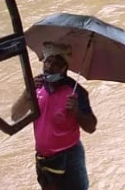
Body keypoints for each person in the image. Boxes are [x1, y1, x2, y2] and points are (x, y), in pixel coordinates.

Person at [11, 42, 97, 190]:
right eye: (48, 61)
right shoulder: (35, 86)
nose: (50, 67)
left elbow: (91, 127)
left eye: (56, 64)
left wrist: (76, 111)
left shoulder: (76, 92)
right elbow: (15, 116)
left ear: (64, 68)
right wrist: (26, 94)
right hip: (44, 158)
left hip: (69, 157)